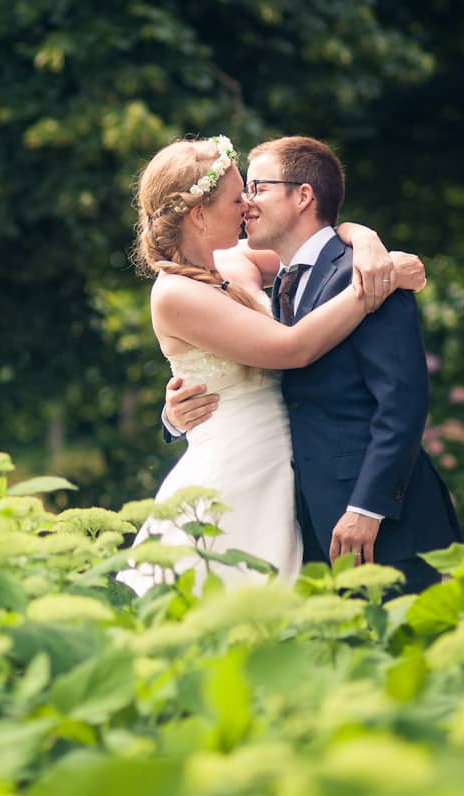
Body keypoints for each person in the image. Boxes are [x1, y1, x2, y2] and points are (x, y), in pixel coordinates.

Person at [116, 135, 426, 596]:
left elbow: (315, 238)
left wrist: (366, 241)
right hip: (234, 472)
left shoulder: (234, 264)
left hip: (283, 468)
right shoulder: (175, 293)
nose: (246, 205)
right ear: (199, 214)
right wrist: (373, 288)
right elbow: (292, 349)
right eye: (237, 195)